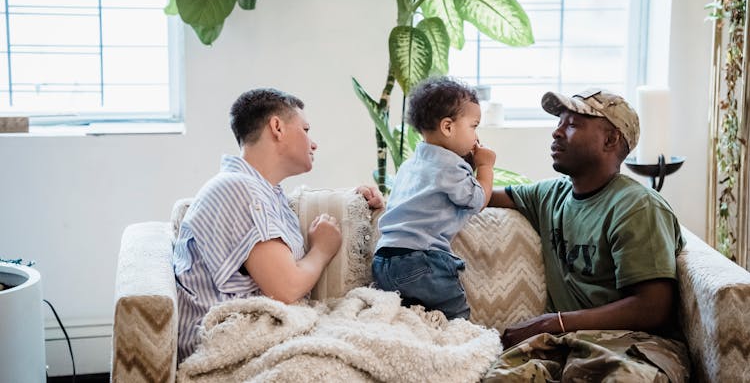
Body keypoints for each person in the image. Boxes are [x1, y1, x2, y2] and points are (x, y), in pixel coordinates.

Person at [483, 88, 690, 382]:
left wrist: (552, 322)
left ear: (610, 139)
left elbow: (652, 307)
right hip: (559, 346)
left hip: (630, 346)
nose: (556, 133)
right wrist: (461, 153)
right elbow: (481, 195)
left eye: (571, 124)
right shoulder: (550, 195)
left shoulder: (636, 206)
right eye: (559, 123)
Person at [172, 88, 384, 362]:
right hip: (227, 345)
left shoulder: (262, 192)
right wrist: (322, 248)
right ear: (277, 127)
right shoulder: (239, 189)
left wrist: (355, 199)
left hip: (252, 334)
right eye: (306, 129)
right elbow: (286, 287)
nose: (313, 143)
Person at [372, 76, 496, 320]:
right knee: (456, 316)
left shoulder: (410, 165)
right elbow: (477, 200)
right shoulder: (450, 166)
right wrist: (485, 166)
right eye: (474, 126)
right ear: (448, 127)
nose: (476, 135)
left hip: (383, 261)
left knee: (410, 320)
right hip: (421, 261)